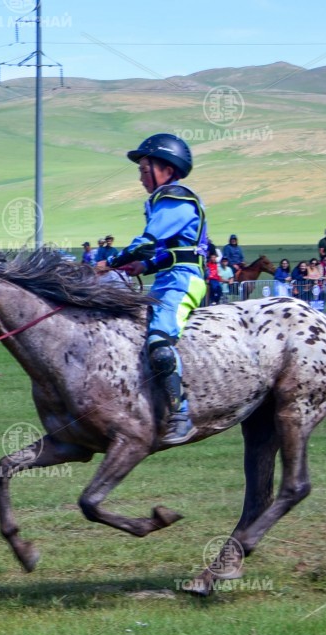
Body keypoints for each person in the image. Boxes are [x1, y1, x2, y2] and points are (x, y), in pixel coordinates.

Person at [104, 133, 207, 445]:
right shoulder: (164, 200)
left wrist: (110, 263)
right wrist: (143, 267)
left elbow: (147, 242)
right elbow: (167, 252)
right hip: (166, 279)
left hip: (183, 281)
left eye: (145, 170)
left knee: (160, 342)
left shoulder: (176, 198)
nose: (140, 177)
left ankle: (181, 415)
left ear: (168, 170)